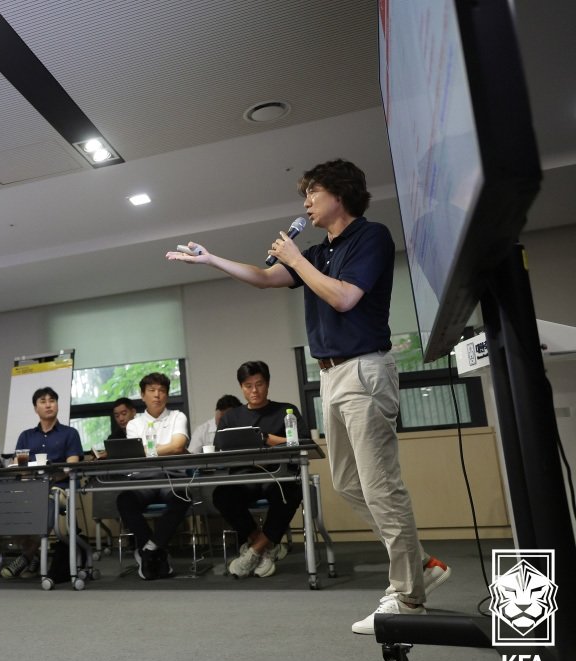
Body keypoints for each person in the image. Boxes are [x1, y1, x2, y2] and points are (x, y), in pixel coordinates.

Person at [167, 158, 450, 633]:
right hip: (333, 376)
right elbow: (264, 277)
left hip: (364, 368)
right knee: (347, 482)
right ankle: (420, 564)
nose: (305, 203)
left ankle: (408, 595)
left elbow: (344, 298)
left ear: (339, 193)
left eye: (312, 193)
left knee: (381, 486)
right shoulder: (318, 252)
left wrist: (296, 259)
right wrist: (212, 259)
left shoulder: (371, 237)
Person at [212, 361, 303, 579]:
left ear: (268, 384)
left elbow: (301, 442)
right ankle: (266, 546)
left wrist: (267, 439)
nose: (254, 390)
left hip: (278, 476)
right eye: (248, 385)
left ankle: (252, 552)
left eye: (259, 384)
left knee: (291, 492)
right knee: (222, 495)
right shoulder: (231, 418)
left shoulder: (285, 411)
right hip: (244, 477)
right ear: (241, 387)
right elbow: (220, 447)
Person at [1, 387, 83, 579]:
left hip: (58, 488)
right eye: (43, 401)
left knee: (45, 505)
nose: (48, 404)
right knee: (7, 507)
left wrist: (51, 476)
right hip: (31, 487)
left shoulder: (69, 433)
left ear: (57, 405)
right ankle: (33, 556)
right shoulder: (26, 436)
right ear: (35, 408)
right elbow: (18, 465)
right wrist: (21, 470)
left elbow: (71, 466)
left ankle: (26, 556)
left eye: (52, 400)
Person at [114, 373, 190, 580]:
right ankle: (157, 552)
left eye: (162, 391)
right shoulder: (134, 424)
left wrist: (151, 451)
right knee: (125, 500)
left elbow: (178, 446)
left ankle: (148, 550)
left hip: (171, 478)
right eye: (152, 390)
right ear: (142, 395)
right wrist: (163, 449)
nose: (157, 395)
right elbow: (138, 455)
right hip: (143, 480)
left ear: (167, 395)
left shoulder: (177, 416)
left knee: (182, 497)